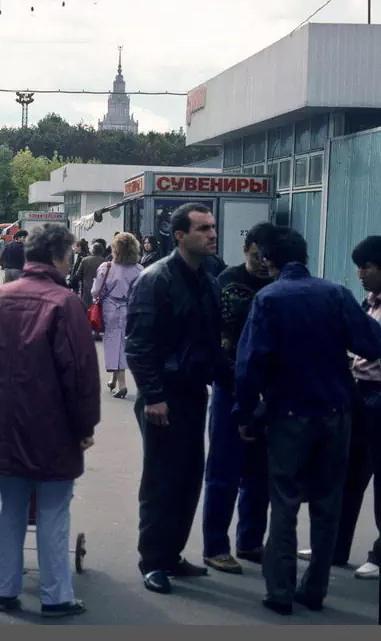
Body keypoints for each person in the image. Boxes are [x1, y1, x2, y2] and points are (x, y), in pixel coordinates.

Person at [233, 227, 381, 615]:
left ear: (269, 260)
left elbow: (251, 364)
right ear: (306, 255)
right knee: (327, 503)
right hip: (336, 413)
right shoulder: (335, 294)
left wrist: (244, 412)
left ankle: (280, 591)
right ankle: (314, 589)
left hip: (288, 415)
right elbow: (371, 342)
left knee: (284, 503)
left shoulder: (268, 299)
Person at [0, 224, 99, 618]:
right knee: (53, 509)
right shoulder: (65, 303)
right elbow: (79, 373)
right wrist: (85, 426)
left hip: (2, 419)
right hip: (51, 423)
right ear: (64, 255)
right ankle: (55, 595)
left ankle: (4, 589)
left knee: (8, 505)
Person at [125, 202, 227, 595]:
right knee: (161, 481)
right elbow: (139, 345)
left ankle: (172, 555)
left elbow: (207, 342)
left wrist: (229, 380)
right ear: (179, 235)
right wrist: (153, 395)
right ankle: (153, 561)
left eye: (213, 227)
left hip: (192, 392)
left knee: (188, 478)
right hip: (162, 397)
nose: (212, 234)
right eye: (203, 228)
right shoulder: (156, 279)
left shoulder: (209, 277)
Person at [201, 223, 274, 575]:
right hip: (230, 386)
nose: (262, 263)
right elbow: (210, 336)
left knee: (260, 473)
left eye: (268, 258)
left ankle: (250, 541)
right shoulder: (224, 282)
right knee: (223, 470)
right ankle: (216, 545)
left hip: (270, 392)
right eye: (257, 256)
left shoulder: (280, 286)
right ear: (245, 250)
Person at [329, 235, 381, 581]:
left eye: (367, 267)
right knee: (348, 474)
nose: (360, 273)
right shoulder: (369, 301)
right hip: (360, 391)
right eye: (358, 267)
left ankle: (379, 555)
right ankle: (335, 547)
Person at [92, 232, 143, 399]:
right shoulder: (139, 269)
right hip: (131, 308)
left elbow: (95, 291)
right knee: (124, 342)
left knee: (113, 342)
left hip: (110, 307)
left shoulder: (106, 267)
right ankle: (114, 380)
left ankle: (121, 383)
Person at [71, 242, 105, 311]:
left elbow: (78, 275)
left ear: (93, 250)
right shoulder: (105, 262)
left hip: (86, 292)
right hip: (100, 292)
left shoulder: (85, 260)